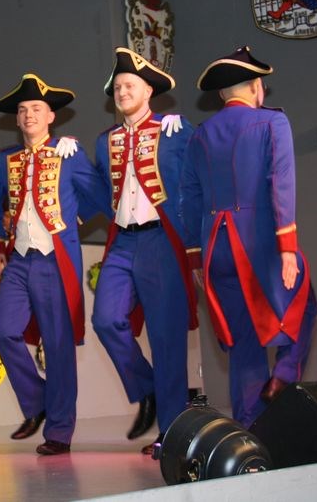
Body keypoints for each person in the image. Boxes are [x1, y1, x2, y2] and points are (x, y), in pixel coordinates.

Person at [181, 46, 317, 428]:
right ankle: (284, 375)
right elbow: (281, 182)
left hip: (216, 249)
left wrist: (195, 257)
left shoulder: (200, 135)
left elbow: (188, 198)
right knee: (304, 305)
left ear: (221, 94)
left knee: (243, 340)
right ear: (257, 87)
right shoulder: (272, 122)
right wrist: (287, 246)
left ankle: (251, 428)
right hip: (259, 243)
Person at [0, 73, 109, 456]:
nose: (29, 115)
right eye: (23, 110)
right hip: (19, 259)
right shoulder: (5, 159)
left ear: (51, 116)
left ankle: (59, 430)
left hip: (55, 261)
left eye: (36, 108)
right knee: (3, 333)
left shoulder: (68, 153)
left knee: (58, 347)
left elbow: (101, 195)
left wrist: (74, 215)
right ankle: (38, 403)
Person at [91, 48, 199, 454]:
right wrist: (65, 150)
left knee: (166, 338)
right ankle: (148, 387)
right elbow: (93, 189)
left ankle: (171, 432)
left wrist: (188, 130)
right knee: (105, 319)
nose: (122, 92)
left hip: (161, 241)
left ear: (149, 90)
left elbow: (197, 178)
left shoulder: (174, 130)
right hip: (123, 241)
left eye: (129, 85)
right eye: (117, 87)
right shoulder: (105, 142)